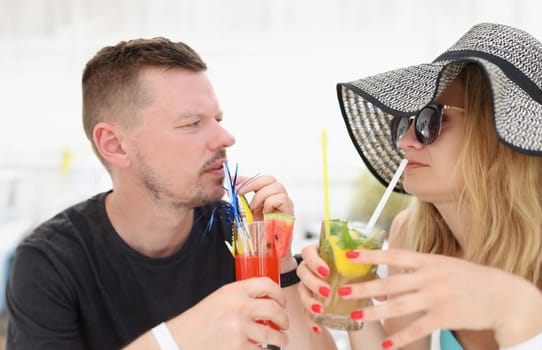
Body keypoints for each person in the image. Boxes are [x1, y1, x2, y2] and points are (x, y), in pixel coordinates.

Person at [297, 23, 542, 349]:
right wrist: (353, 299)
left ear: (501, 140)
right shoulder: (413, 234)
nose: (404, 141)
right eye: (404, 120)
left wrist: (524, 315)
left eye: (431, 119)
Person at [5, 37, 335, 350]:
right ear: (115, 145)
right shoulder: (50, 262)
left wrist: (279, 261)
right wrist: (177, 337)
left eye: (217, 119)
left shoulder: (238, 233)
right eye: (192, 124)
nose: (225, 137)